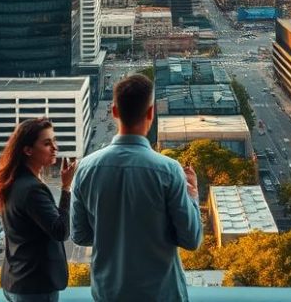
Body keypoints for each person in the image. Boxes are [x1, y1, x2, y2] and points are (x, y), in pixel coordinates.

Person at [72, 74, 202, 301]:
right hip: (160, 293)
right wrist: (192, 195)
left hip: (109, 292)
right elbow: (191, 239)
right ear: (151, 113)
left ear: (114, 111)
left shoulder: (85, 169)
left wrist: (113, 233)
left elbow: (80, 235)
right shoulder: (169, 170)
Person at [0, 118, 77, 302]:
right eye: (47, 143)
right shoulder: (31, 189)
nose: (55, 148)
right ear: (28, 150)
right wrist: (66, 187)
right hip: (35, 286)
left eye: (54, 141)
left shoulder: (13, 181)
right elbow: (60, 231)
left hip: (16, 279)